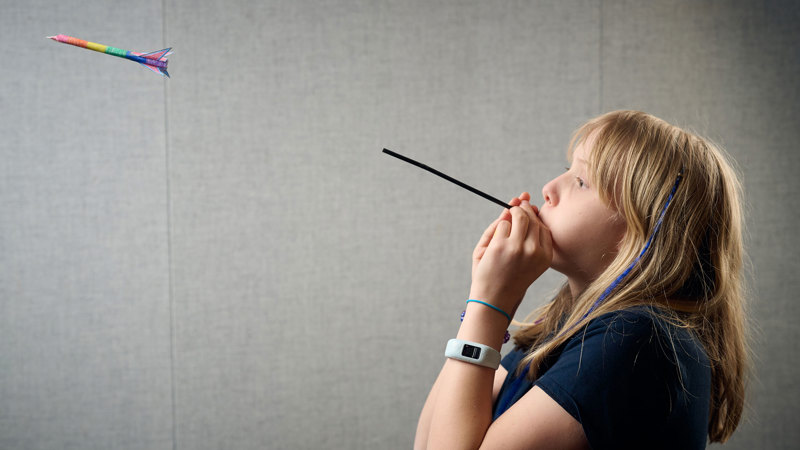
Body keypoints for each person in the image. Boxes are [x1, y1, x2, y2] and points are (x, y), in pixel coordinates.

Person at [414, 110, 748, 449]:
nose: (548, 189)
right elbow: (428, 441)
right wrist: (482, 300)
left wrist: (490, 305)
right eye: (567, 171)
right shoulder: (561, 330)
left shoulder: (635, 340)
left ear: (641, 231)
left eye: (581, 181)